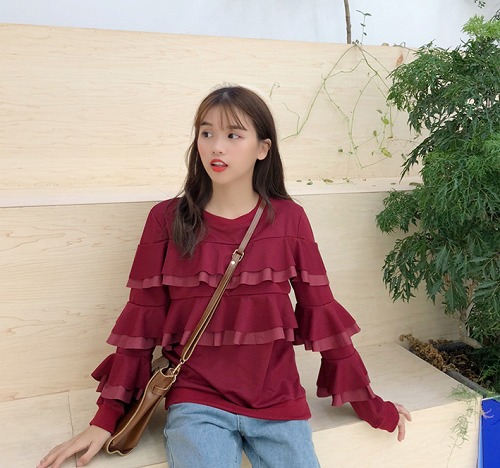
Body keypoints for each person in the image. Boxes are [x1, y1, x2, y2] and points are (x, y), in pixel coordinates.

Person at [38, 85, 411, 468]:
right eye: (207, 133)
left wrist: (371, 406)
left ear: (262, 148)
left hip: (277, 399)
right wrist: (105, 419)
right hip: (196, 400)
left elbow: (322, 311)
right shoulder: (165, 220)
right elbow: (141, 321)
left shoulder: (290, 219)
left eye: (233, 135)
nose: (217, 146)